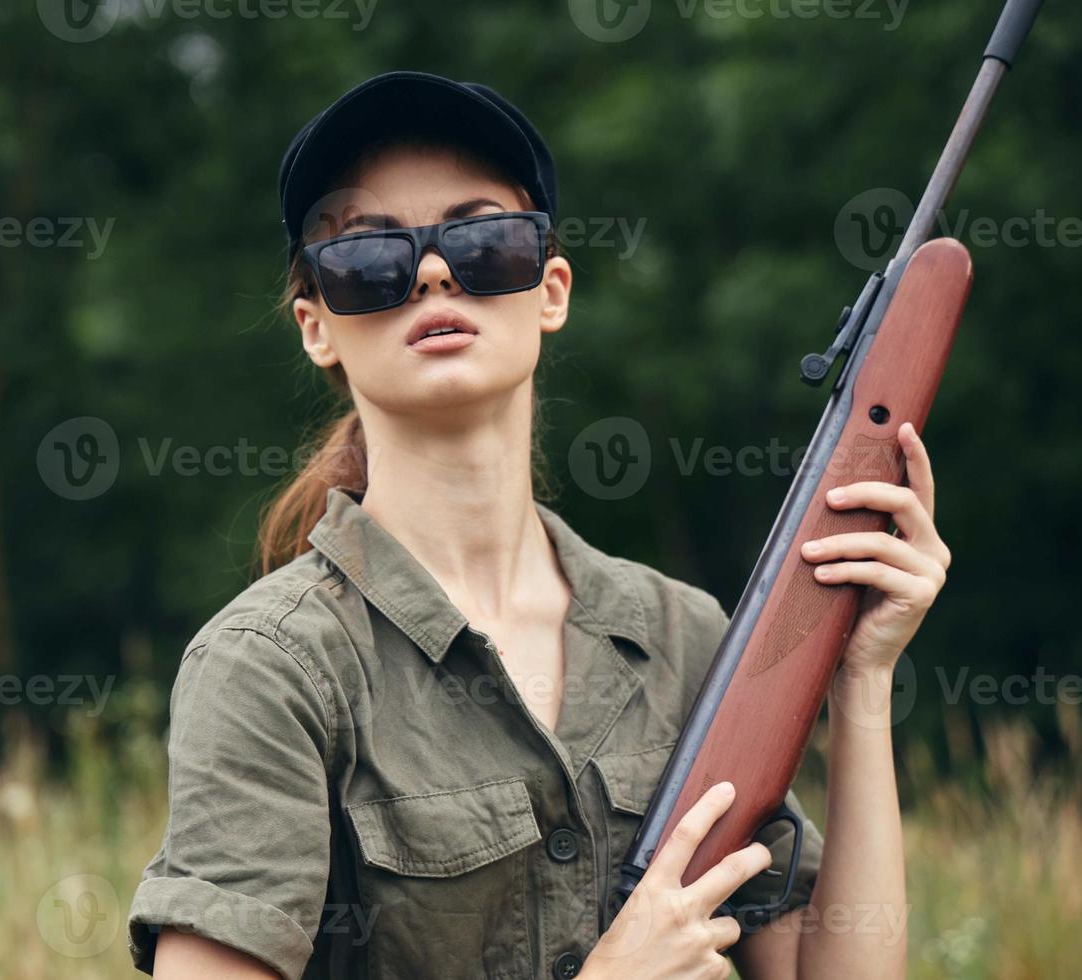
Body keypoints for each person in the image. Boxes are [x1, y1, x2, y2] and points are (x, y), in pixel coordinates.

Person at [128, 70, 947, 980]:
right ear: (316, 325)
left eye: (483, 240)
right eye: (371, 259)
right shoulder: (271, 669)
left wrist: (863, 682)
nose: (435, 271)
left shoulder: (684, 636)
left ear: (551, 289)